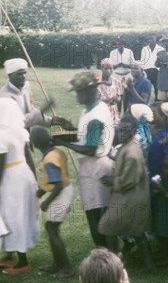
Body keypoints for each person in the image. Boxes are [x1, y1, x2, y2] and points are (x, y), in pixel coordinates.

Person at [55, 71, 116, 249]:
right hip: (93, 166)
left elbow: (90, 148)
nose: (77, 95)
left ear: (91, 91)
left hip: (95, 169)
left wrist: (64, 143)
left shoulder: (95, 115)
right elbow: (88, 137)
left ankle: (104, 253)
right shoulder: (92, 108)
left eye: (79, 92)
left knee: (96, 214)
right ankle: (105, 252)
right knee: (96, 212)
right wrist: (70, 129)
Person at [0, 97, 41, 274]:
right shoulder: (20, 131)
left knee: (13, 217)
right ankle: (10, 255)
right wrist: (34, 181)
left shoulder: (0, 136)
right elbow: (29, 157)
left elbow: (1, 166)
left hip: (10, 180)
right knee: (16, 214)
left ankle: (22, 262)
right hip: (23, 174)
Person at [99, 113, 155, 270]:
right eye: (120, 130)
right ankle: (150, 265)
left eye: (126, 130)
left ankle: (113, 267)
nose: (121, 133)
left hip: (131, 197)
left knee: (107, 227)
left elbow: (128, 180)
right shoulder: (129, 146)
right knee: (138, 233)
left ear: (134, 130)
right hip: (132, 196)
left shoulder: (132, 151)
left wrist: (113, 181)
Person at [0, 58, 65, 175]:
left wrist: (51, 121)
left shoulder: (26, 86)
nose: (24, 77)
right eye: (19, 74)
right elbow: (20, 122)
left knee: (27, 169)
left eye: (25, 73)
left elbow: (31, 111)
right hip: (11, 141)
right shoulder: (4, 97)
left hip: (24, 137)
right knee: (17, 171)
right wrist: (43, 109)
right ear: (10, 75)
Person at [32, 127, 75, 278]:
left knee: (51, 228)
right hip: (64, 190)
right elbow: (54, 179)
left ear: (34, 144)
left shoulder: (49, 160)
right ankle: (57, 263)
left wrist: (46, 202)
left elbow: (57, 184)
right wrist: (42, 191)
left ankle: (67, 267)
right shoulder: (55, 152)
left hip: (61, 193)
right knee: (51, 228)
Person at [149, 152, 168, 269]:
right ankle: (166, 257)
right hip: (161, 214)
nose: (166, 170)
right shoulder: (162, 178)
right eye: (164, 167)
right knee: (161, 237)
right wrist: (155, 190)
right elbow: (156, 194)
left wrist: (159, 188)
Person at [97, 58, 124, 124]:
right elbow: (93, 99)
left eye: (111, 68)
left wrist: (117, 99)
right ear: (101, 68)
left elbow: (119, 97)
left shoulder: (116, 81)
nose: (109, 70)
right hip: (100, 112)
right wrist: (107, 99)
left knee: (113, 132)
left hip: (114, 113)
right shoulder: (97, 82)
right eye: (106, 68)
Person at [140, 34, 163, 98]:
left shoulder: (161, 49)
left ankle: (157, 102)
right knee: (146, 88)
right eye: (149, 39)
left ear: (156, 39)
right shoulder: (144, 49)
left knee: (157, 88)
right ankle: (145, 102)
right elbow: (142, 61)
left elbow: (162, 62)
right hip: (147, 71)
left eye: (152, 39)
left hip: (157, 71)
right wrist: (142, 71)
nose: (150, 40)